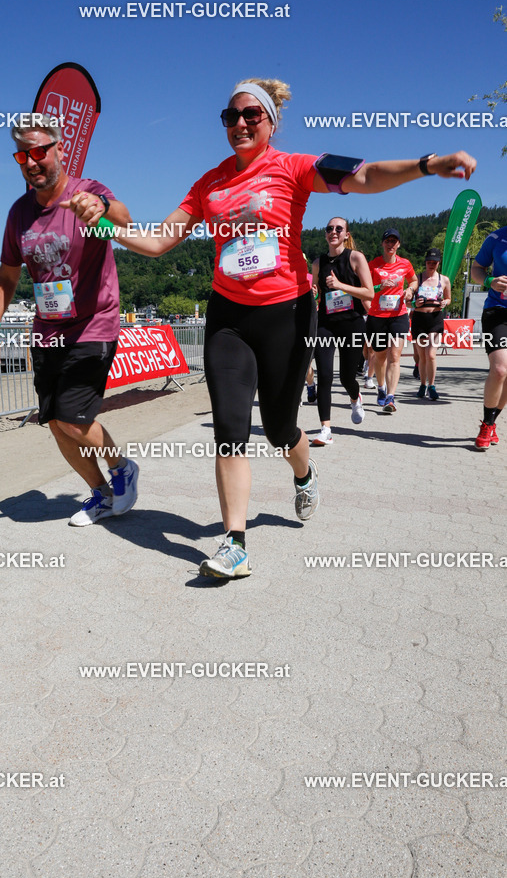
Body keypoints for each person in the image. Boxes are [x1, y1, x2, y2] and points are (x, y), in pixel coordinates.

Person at [65, 79, 476, 577]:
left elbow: (365, 178)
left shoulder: (295, 166)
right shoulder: (210, 183)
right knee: (230, 429)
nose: (239, 124)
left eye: (250, 116)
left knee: (281, 430)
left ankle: (304, 473)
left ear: (269, 122)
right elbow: (156, 242)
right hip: (228, 318)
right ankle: (234, 543)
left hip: (287, 313)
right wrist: (105, 220)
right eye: (229, 116)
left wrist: (427, 164)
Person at [0, 114, 139, 525]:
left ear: (59, 149)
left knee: (72, 416)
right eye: (22, 155)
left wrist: (99, 208)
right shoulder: (19, 214)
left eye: (38, 151)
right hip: (47, 330)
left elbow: (125, 220)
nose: (31, 162)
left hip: (94, 324)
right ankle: (100, 493)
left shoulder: (88, 192)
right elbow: (7, 276)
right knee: (53, 420)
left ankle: (122, 466)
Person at [310, 218, 374, 445]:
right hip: (326, 324)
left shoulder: (355, 257)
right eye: (329, 228)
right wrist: (315, 292)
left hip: (352, 323)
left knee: (347, 377)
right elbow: (317, 297)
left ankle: (355, 396)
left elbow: (369, 293)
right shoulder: (318, 263)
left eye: (339, 229)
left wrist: (340, 286)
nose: (333, 232)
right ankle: (325, 429)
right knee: (325, 375)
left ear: (346, 234)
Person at [367, 230, 418, 413]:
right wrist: (380, 286)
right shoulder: (373, 265)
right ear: (382, 244)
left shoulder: (405, 263)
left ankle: (391, 397)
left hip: (398, 315)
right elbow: (364, 289)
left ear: (398, 245)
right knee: (380, 357)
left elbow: (413, 280)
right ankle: (381, 388)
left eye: (394, 241)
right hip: (377, 316)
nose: (391, 244)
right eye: (388, 241)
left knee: (395, 356)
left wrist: (410, 290)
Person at [470, 226, 507, 449]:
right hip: (498, 311)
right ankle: (486, 424)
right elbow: (477, 268)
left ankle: (492, 422)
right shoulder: (497, 237)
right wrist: (489, 281)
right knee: (501, 369)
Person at [411, 247, 452, 400]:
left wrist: (444, 303)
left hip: (435, 319)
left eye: (434, 262)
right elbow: (408, 301)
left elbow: (448, 298)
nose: (431, 264)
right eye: (429, 262)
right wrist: (415, 303)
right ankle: (422, 385)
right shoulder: (418, 278)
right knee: (422, 356)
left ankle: (432, 386)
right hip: (419, 320)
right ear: (425, 262)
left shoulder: (444, 279)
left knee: (431, 355)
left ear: (439, 263)